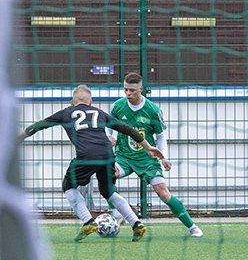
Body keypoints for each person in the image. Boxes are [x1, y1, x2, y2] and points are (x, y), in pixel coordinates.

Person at [18, 84, 164, 242]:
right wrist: (148, 147)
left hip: (86, 156)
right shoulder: (99, 112)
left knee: (68, 186)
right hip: (107, 154)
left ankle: (88, 221)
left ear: (72, 102)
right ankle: (136, 223)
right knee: (108, 191)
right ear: (90, 102)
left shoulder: (66, 113)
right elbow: (127, 129)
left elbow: (38, 126)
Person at [106, 72, 203, 237]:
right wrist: (109, 136)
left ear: (141, 89)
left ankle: (193, 227)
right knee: (106, 175)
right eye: (125, 89)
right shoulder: (118, 106)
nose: (128, 93)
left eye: (132, 90)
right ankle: (117, 213)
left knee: (163, 194)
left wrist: (163, 156)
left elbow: (161, 137)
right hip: (123, 156)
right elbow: (109, 125)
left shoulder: (153, 110)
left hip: (146, 159)